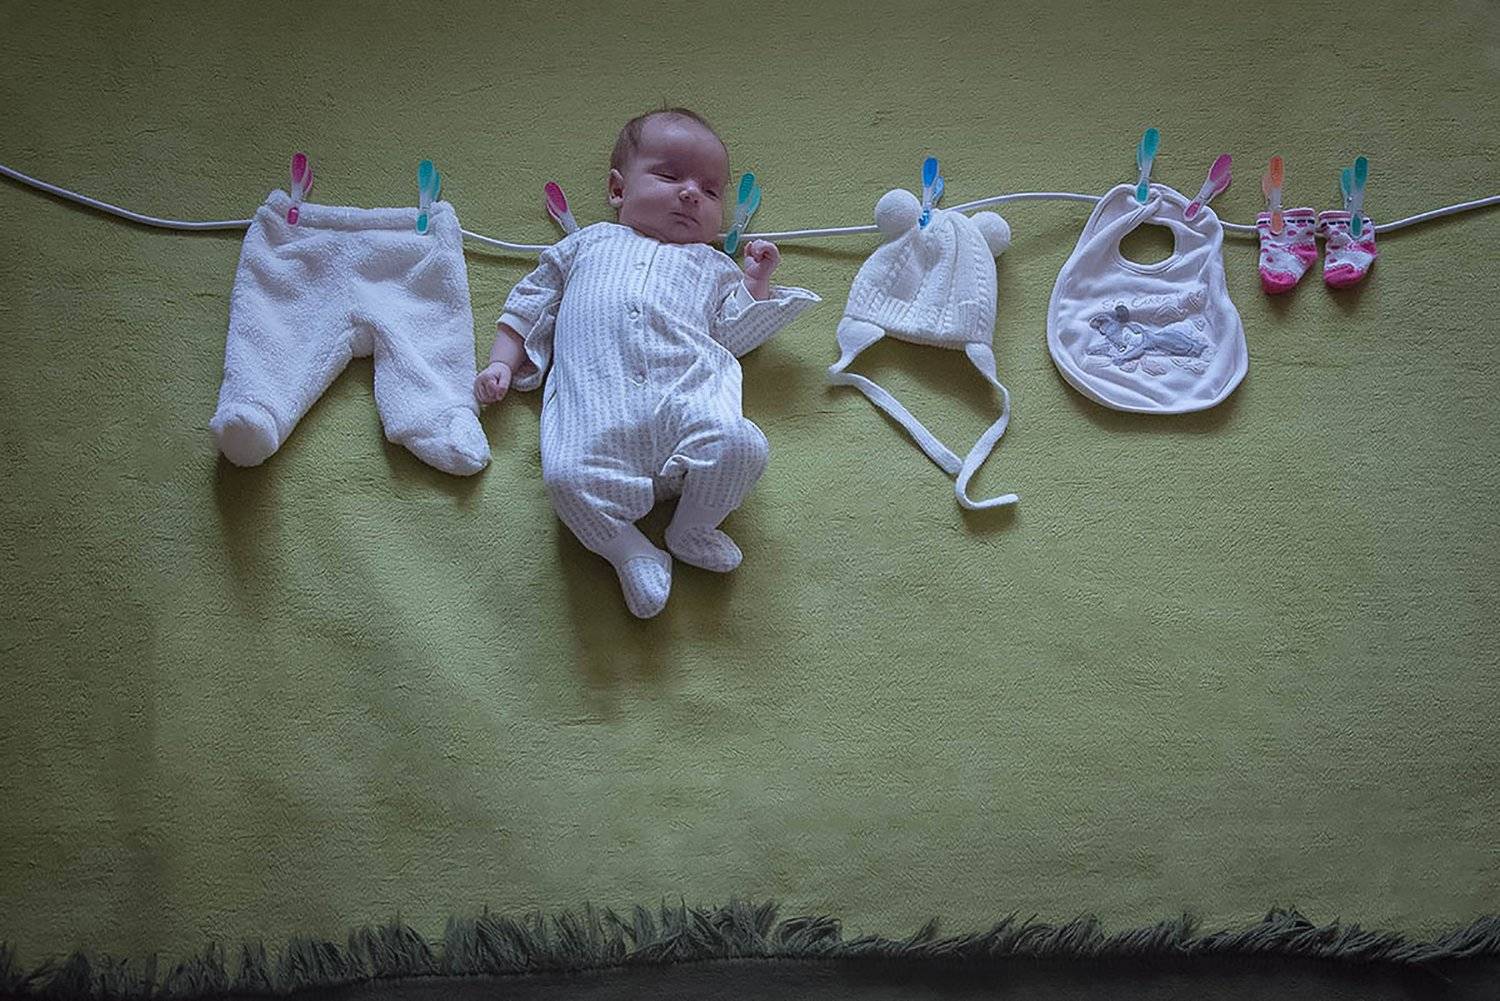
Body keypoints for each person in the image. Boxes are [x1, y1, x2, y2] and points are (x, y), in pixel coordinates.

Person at [475, 108, 818, 618]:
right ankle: (631, 552)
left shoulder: (712, 265)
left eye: (710, 190)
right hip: (598, 415)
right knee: (564, 479)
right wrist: (502, 361)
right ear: (619, 189)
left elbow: (732, 334)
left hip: (685, 405)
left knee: (744, 443)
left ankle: (693, 525)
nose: (691, 194)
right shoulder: (586, 243)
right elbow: (530, 301)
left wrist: (755, 283)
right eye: (670, 176)